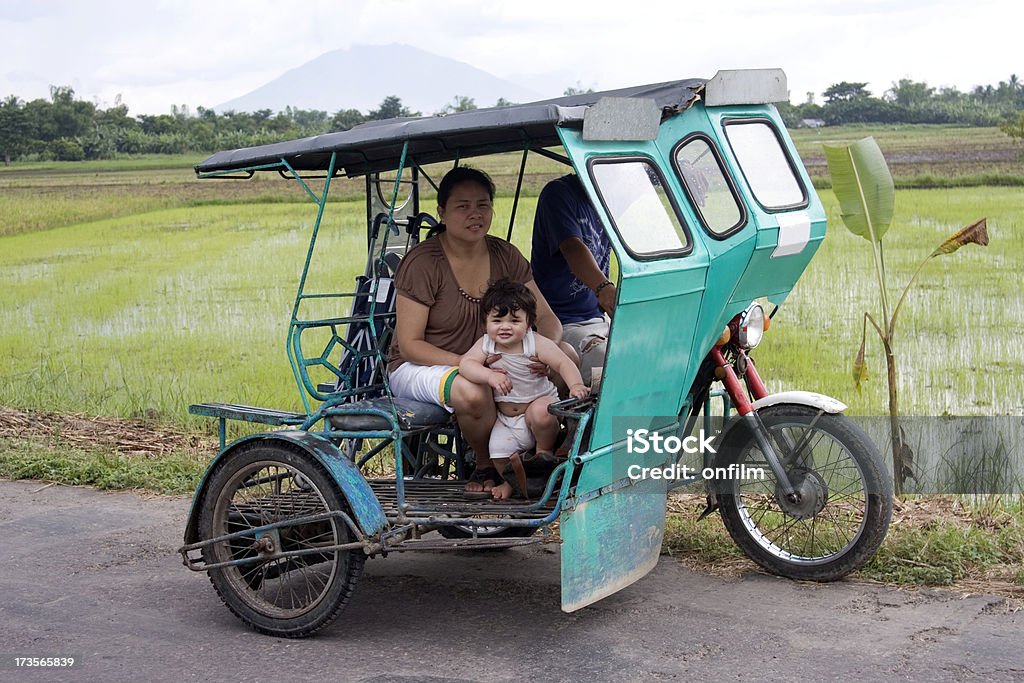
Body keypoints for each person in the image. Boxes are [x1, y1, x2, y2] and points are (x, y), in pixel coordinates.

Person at [388, 166, 564, 495]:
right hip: (420, 367)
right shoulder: (424, 263)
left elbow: (550, 322)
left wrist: (545, 354)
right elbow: (410, 345)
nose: (475, 214)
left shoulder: (505, 255)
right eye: (463, 206)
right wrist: (471, 364)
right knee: (473, 389)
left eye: (483, 205)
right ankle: (483, 465)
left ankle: (545, 457)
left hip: (489, 362)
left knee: (564, 355)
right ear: (442, 212)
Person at [459, 279, 589, 500]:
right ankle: (513, 483)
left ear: (528, 323)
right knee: (498, 452)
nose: (505, 326)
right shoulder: (486, 345)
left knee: (542, 411)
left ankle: (543, 453)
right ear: (485, 323)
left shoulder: (533, 343)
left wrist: (575, 385)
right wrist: (489, 375)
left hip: (536, 406)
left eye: (514, 320)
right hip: (507, 418)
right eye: (497, 320)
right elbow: (466, 364)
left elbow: (562, 362)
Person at [530, 173, 615, 386]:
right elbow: (571, 247)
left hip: (597, 319)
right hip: (562, 321)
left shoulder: (612, 194)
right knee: (607, 367)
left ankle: (646, 419)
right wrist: (604, 288)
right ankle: (589, 419)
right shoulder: (559, 194)